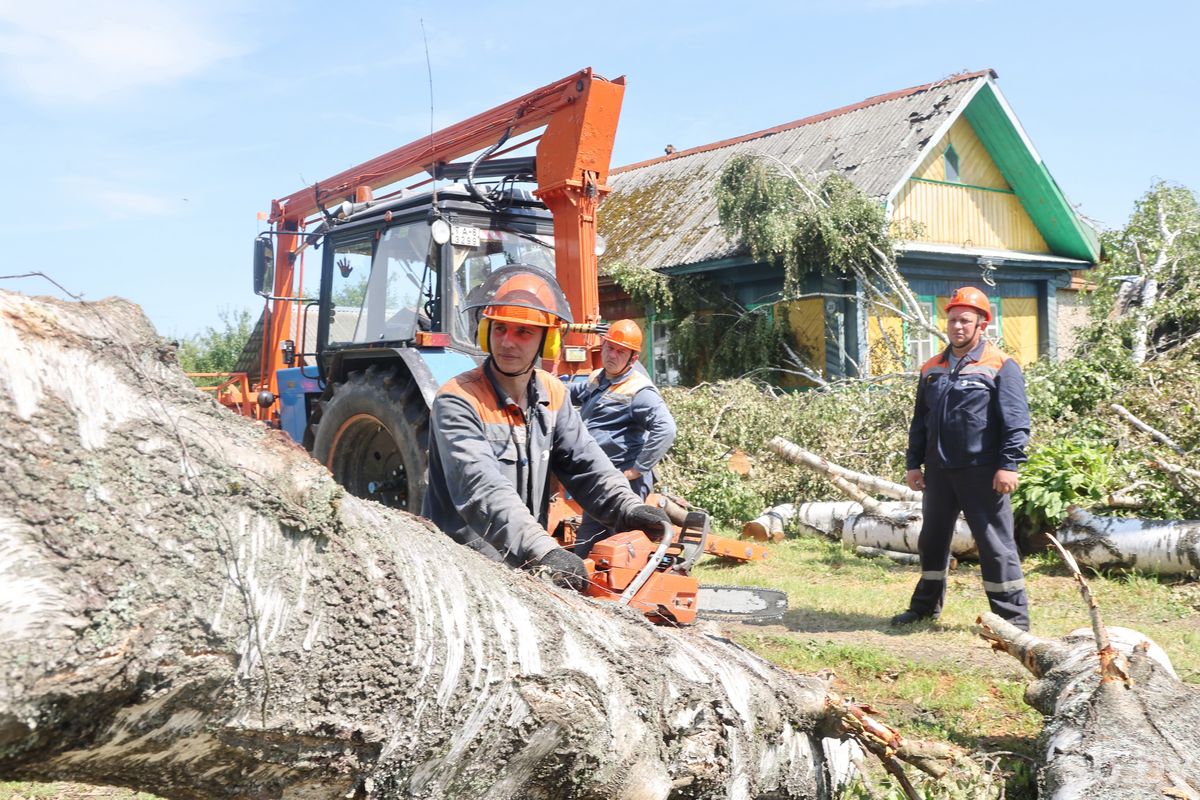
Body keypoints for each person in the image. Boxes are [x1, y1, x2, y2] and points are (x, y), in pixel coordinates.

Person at [423, 266, 671, 591]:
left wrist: (629, 507)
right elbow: (482, 489)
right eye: (500, 329)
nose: (507, 342)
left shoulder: (552, 394)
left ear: (548, 339)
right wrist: (545, 550)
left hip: (521, 569)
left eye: (523, 332)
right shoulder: (458, 399)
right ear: (485, 332)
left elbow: (587, 465)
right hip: (463, 571)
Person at [892, 286, 1032, 631]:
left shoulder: (1000, 365)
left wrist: (1008, 465)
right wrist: (913, 463)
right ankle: (924, 608)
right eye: (953, 320)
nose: (957, 326)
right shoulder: (932, 368)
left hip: (983, 472)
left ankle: (1012, 621)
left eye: (965, 321)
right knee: (932, 541)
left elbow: (1017, 422)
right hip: (939, 471)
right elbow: (920, 420)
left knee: (996, 546)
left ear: (982, 324)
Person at [567, 319, 677, 556]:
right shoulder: (598, 378)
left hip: (625, 479)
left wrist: (638, 469)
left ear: (632, 359)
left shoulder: (639, 391)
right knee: (591, 542)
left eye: (621, 351)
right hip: (601, 476)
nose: (612, 355)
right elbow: (571, 393)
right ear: (603, 346)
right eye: (609, 347)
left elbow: (666, 428)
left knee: (616, 545)